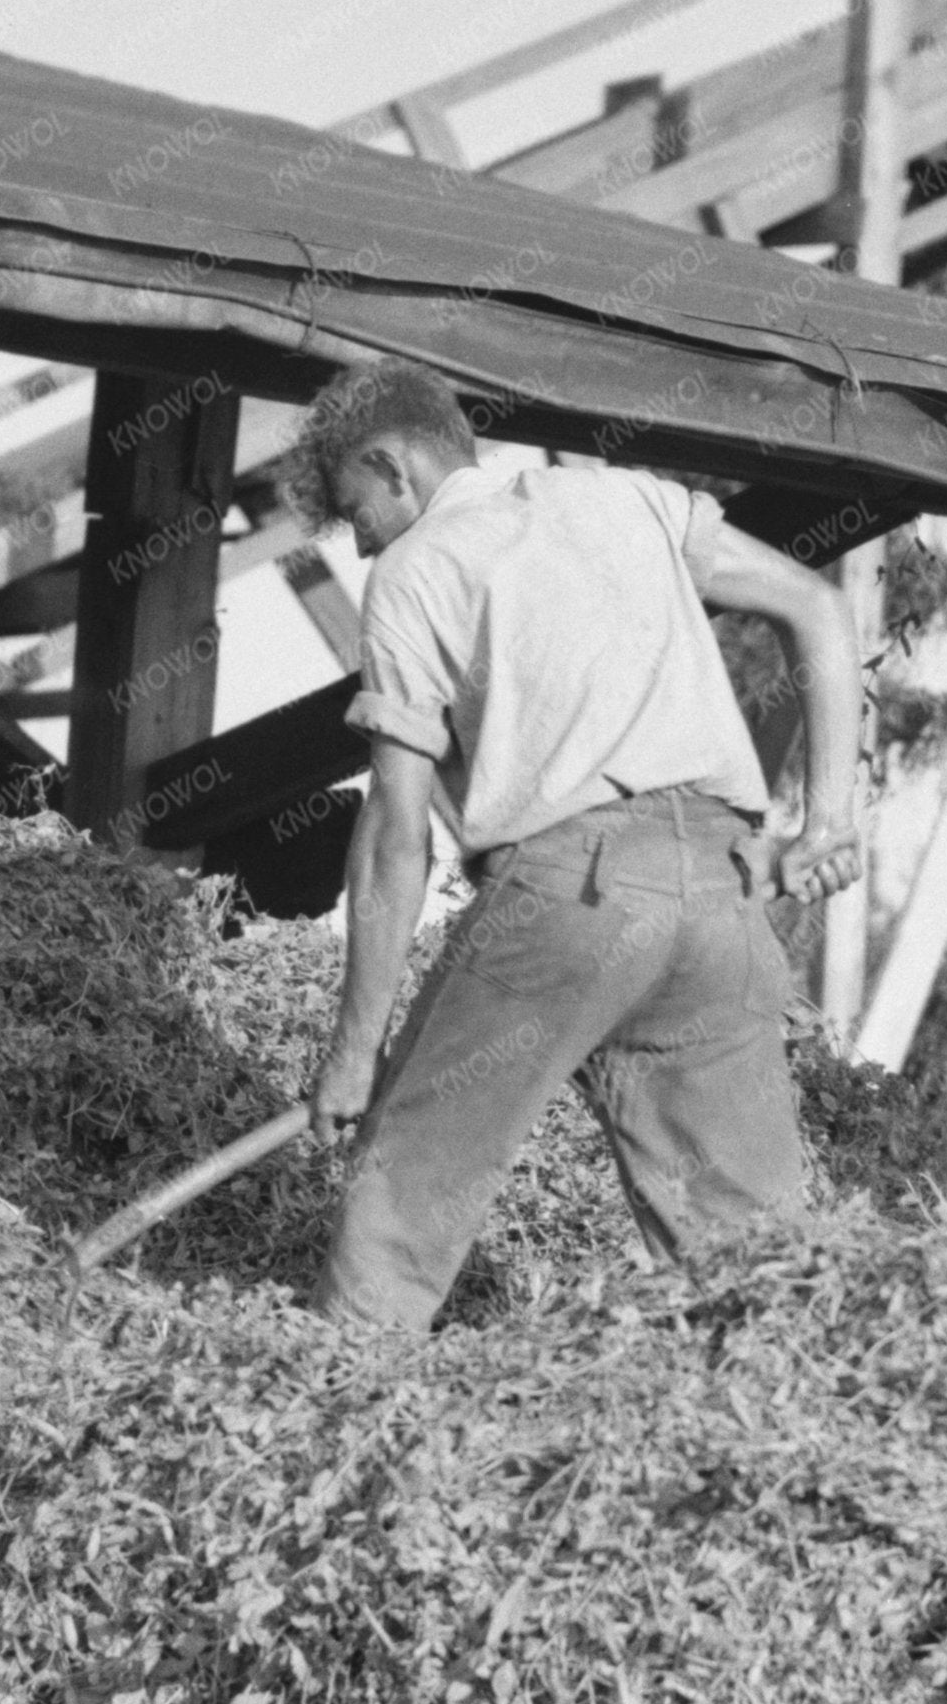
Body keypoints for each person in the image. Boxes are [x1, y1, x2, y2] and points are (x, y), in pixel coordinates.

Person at [290, 360, 864, 1335]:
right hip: (722, 897)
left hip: (572, 892)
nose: (360, 542)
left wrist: (355, 1052)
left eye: (356, 513)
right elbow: (819, 604)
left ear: (393, 465)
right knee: (760, 1268)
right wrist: (829, 821)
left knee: (405, 1187)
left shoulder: (415, 569)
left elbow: (395, 834)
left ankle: (319, 1432)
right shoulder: (627, 495)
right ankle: (806, 1446)